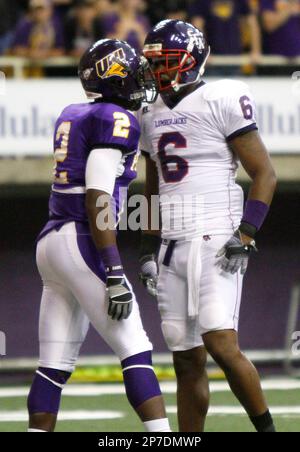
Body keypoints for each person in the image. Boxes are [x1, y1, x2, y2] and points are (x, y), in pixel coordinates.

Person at [138, 19, 277, 432]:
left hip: (216, 236)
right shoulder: (149, 112)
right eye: (152, 63)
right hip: (172, 244)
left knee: (221, 344)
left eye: (163, 62)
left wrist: (246, 233)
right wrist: (148, 247)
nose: (155, 71)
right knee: (185, 358)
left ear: (190, 61)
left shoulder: (222, 96)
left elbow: (265, 173)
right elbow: (152, 186)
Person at [27, 38, 171, 433]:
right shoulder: (115, 118)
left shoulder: (75, 112)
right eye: (134, 71)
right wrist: (112, 269)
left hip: (51, 241)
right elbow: (98, 197)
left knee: (53, 365)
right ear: (114, 76)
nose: (141, 78)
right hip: (81, 238)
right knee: (136, 348)